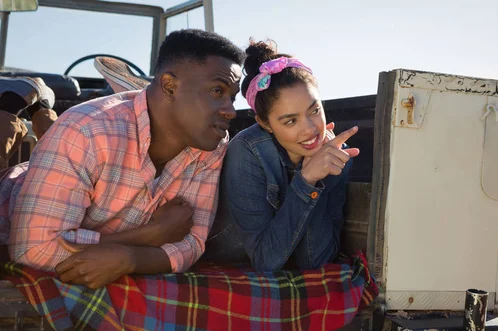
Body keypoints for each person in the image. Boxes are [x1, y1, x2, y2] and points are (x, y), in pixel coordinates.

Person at [0, 29, 244, 289]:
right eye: (218, 91)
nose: (231, 110)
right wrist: (151, 236)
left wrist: (130, 259)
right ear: (170, 86)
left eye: (233, 97)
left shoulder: (211, 145)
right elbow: (33, 249)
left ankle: (41, 112)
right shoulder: (86, 129)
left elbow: (191, 245)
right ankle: (19, 106)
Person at [204, 40, 360, 272]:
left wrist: (317, 178)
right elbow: (265, 262)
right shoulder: (248, 151)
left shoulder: (334, 157)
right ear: (265, 123)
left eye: (315, 111)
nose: (310, 129)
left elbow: (314, 261)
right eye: (290, 121)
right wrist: (306, 181)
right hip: (227, 255)